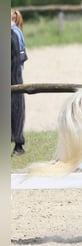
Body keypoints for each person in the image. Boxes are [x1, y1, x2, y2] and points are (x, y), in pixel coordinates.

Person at [11, 28, 26, 156]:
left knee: (16, 109)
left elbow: (18, 61)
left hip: (13, 77)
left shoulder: (13, 35)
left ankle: (18, 144)